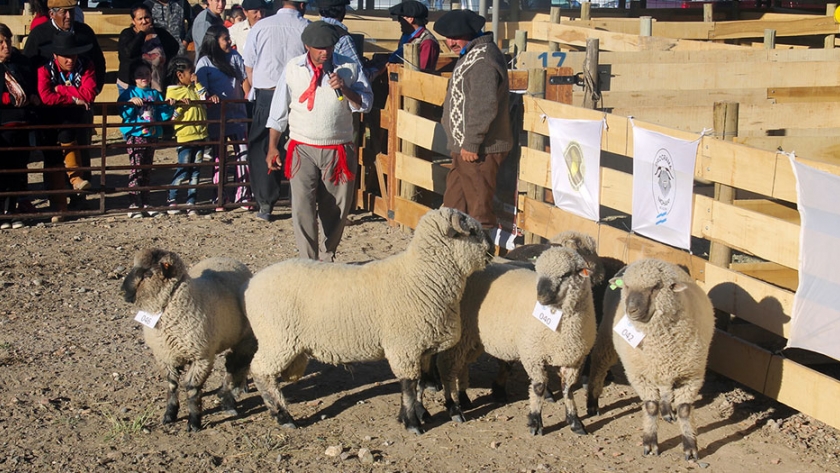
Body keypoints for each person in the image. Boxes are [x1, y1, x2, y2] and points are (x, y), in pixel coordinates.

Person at [266, 21, 372, 261]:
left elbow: (366, 103)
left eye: (329, 47)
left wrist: (345, 89)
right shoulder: (293, 68)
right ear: (307, 46)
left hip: (338, 147)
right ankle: (308, 260)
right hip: (302, 146)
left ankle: (328, 255)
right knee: (302, 207)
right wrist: (272, 146)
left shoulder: (349, 67)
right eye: (320, 47)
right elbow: (278, 111)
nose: (325, 52)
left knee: (336, 207)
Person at [433, 10, 512, 232]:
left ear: (469, 34)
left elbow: (483, 105)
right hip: (466, 148)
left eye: (456, 37)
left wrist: (472, 142)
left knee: (479, 212)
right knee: (453, 208)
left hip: (480, 149)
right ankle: (453, 258)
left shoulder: (483, 59)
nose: (450, 42)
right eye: (448, 37)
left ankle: (484, 260)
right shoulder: (472, 55)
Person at [242, 0, 308, 221]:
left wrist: (256, 86)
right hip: (299, 93)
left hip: (267, 93)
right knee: (299, 144)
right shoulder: (307, 27)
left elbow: (249, 63)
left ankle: (265, 203)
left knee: (264, 145)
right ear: (301, 4)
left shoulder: (261, 26)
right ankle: (299, 198)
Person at [36, 31, 98, 216]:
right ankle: (59, 205)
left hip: (75, 119)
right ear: (56, 55)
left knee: (77, 149)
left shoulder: (86, 65)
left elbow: (89, 94)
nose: (70, 60)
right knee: (53, 159)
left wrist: (61, 89)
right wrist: (72, 98)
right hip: (49, 119)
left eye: (73, 55)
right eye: (66, 56)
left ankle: (76, 184)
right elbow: (45, 96)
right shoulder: (44, 69)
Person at [195, 24, 253, 210]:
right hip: (217, 116)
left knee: (242, 154)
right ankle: (219, 196)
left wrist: (246, 98)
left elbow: (244, 79)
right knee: (219, 157)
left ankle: (244, 194)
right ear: (214, 41)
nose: (229, 41)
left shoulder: (235, 57)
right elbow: (201, 89)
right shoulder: (204, 62)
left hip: (237, 113)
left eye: (229, 38)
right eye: (225, 38)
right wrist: (210, 98)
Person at [118, 61, 173, 218]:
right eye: (139, 75)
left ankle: (146, 202)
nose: (143, 77)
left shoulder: (155, 94)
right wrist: (129, 104)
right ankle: (134, 203)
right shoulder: (128, 93)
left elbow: (162, 114)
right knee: (136, 169)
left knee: (147, 170)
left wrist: (168, 105)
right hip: (136, 135)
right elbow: (124, 113)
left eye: (146, 74)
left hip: (152, 135)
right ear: (134, 78)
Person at [165, 56, 217, 215]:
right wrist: (179, 106)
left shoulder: (195, 88)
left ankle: (191, 201)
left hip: (200, 135)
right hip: (185, 136)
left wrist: (198, 84)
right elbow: (171, 117)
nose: (194, 75)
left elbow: (203, 98)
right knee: (184, 168)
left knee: (196, 170)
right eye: (191, 73)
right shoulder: (172, 91)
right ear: (180, 75)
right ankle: (172, 198)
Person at [0, 23, 38, 230]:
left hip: (22, 123)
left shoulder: (21, 64)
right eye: (0, 42)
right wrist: (8, 98)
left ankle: (12, 210)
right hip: (2, 125)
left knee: (18, 170)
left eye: (7, 40)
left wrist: (31, 95)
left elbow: (32, 86)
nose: (6, 46)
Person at [117, 4, 180, 94]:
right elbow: (128, 53)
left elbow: (174, 47)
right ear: (133, 21)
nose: (144, 21)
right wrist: (142, 33)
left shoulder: (161, 33)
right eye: (140, 19)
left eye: (147, 17)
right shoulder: (127, 34)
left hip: (157, 84)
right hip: (132, 86)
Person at [317, 0, 363, 68]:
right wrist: (376, 69)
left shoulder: (311, 30)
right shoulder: (343, 38)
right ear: (342, 11)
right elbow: (358, 72)